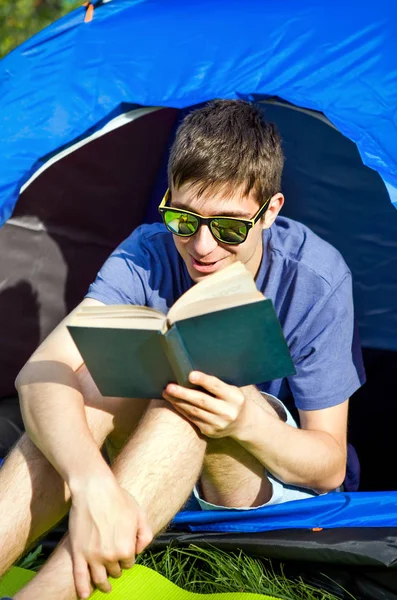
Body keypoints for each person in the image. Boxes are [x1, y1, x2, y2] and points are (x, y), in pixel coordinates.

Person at [0, 99, 365, 600]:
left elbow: (329, 468)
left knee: (190, 394)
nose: (203, 246)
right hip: (146, 468)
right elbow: (39, 371)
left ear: (271, 212)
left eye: (231, 226)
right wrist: (91, 484)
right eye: (184, 219)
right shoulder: (146, 253)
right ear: (167, 199)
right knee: (79, 387)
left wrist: (244, 424)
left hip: (265, 484)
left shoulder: (316, 279)